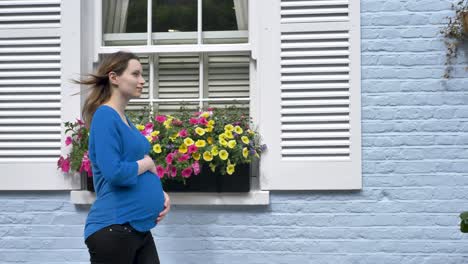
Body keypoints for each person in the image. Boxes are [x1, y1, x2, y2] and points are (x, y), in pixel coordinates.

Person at [77, 51, 170, 264]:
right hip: (114, 228)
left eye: (142, 74)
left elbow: (130, 162)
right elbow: (115, 173)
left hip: (136, 228)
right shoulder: (104, 117)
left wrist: (160, 194)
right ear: (114, 78)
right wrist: (147, 163)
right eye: (135, 74)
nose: (142, 80)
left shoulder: (123, 119)